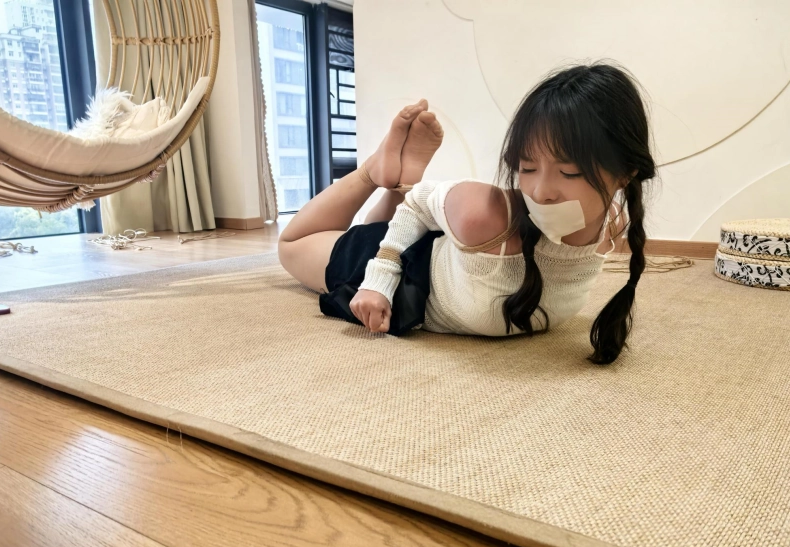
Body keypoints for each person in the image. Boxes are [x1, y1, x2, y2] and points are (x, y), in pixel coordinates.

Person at [278, 61, 657, 364]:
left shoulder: (614, 223)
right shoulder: (486, 215)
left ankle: (398, 180)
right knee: (292, 244)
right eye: (527, 167)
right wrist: (379, 278)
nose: (541, 191)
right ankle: (373, 172)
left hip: (448, 252)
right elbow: (419, 204)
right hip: (411, 268)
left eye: (569, 172)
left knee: (374, 226)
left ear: (625, 173)